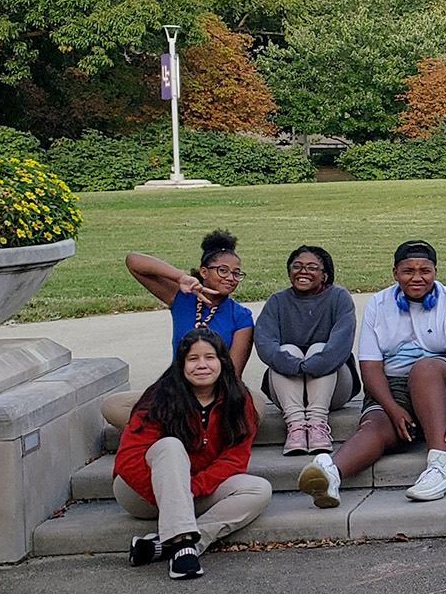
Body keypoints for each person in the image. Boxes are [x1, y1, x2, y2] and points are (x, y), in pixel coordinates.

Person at [298, 241, 446, 507]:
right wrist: (393, 410)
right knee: (375, 425)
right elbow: (371, 366)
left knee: (424, 369)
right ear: (395, 273)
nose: (417, 277)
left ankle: (443, 465)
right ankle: (332, 474)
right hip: (395, 383)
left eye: (425, 270)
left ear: (435, 271)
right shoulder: (378, 304)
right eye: (408, 271)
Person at [114, 328, 271, 580]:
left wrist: (188, 490)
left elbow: (235, 459)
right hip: (141, 493)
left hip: (196, 491)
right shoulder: (160, 398)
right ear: (181, 364)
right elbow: (128, 459)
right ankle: (181, 543)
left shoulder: (239, 400)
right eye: (193, 358)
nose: (202, 365)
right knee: (170, 446)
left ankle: (178, 545)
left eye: (209, 357)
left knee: (259, 489)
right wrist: (172, 493)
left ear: (222, 362)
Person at [105, 230, 259, 428]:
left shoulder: (241, 316)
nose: (231, 277)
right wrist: (180, 277)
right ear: (204, 272)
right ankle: (180, 433)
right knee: (114, 406)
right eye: (223, 270)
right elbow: (134, 261)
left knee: (255, 407)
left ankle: (183, 432)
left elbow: (233, 374)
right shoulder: (182, 299)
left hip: (218, 396)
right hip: (176, 391)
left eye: (236, 273)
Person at [253, 245, 358, 456]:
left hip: (335, 388)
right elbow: (265, 344)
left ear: (325, 274)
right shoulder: (277, 301)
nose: (303, 272)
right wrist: (295, 365)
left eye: (312, 267)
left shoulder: (339, 297)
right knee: (288, 349)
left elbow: (339, 346)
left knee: (319, 348)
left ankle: (318, 425)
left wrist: (309, 365)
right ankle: (296, 427)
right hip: (287, 390)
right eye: (297, 266)